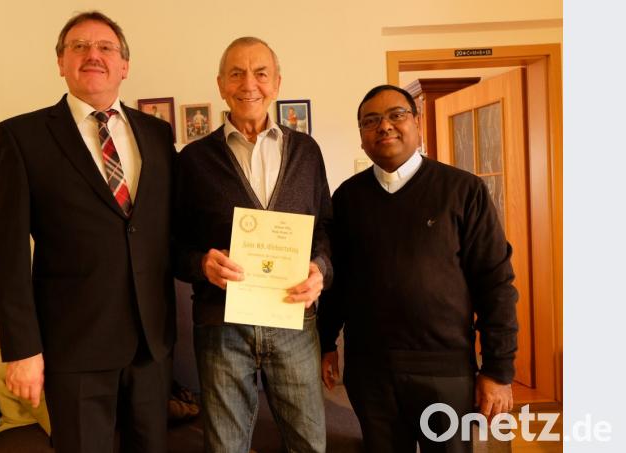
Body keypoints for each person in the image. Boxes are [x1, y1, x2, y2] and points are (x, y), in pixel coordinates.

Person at [0, 11, 176, 453]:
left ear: (124, 66)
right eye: (79, 47)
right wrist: (21, 350)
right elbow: (7, 253)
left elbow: (166, 229)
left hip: (152, 345)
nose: (93, 55)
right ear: (61, 62)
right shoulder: (23, 136)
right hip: (74, 348)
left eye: (106, 47)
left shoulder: (158, 134)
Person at [317, 84, 519, 453]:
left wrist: (498, 369)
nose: (385, 127)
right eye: (370, 121)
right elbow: (336, 279)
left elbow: (496, 283)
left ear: (417, 122)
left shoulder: (464, 190)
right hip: (370, 371)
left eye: (396, 115)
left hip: (445, 370)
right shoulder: (347, 198)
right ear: (362, 137)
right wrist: (325, 343)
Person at [173, 37, 332, 453]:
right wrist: (201, 264)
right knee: (226, 447)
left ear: (276, 83)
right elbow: (171, 247)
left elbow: (326, 232)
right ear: (221, 84)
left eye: (261, 73)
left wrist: (321, 271)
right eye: (237, 73)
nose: (250, 84)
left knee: (309, 444)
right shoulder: (192, 160)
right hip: (221, 326)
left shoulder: (308, 152)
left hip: (295, 322)